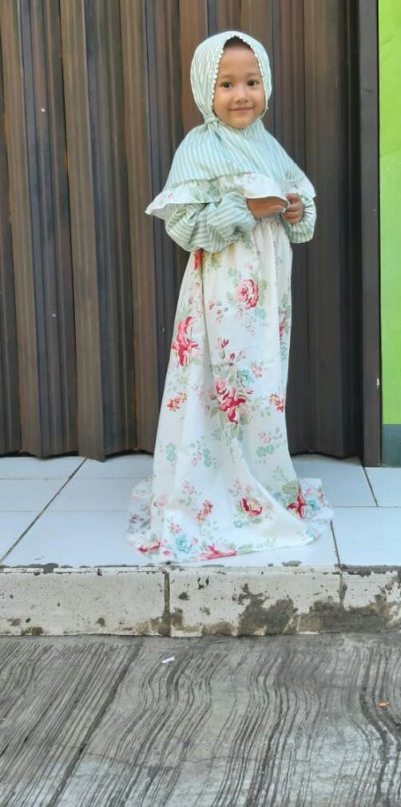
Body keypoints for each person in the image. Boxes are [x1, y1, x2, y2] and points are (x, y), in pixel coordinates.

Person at [127, 30, 332, 563]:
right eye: (226, 84)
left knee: (261, 385)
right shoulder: (200, 147)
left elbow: (302, 211)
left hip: (269, 294)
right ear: (205, 89)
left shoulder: (268, 144)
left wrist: (293, 208)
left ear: (266, 85)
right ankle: (211, 487)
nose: (241, 95)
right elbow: (185, 228)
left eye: (251, 82)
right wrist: (245, 209)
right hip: (221, 292)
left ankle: (259, 477)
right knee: (220, 382)